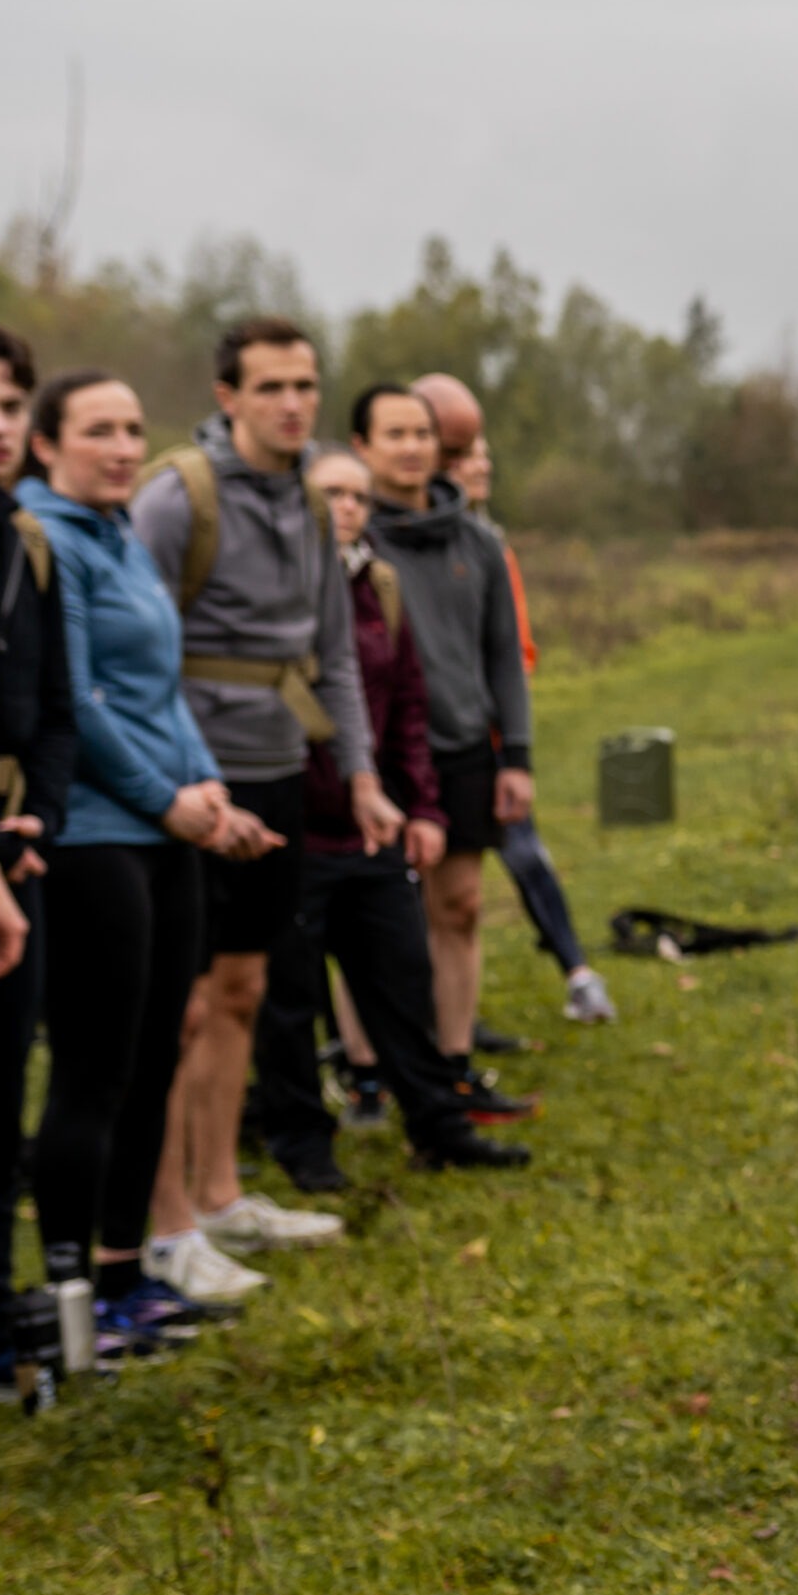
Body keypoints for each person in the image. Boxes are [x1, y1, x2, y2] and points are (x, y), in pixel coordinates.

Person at [130, 317, 394, 1265]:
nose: (292, 404)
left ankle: (222, 1196)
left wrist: (361, 776)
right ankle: (165, 1220)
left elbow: (334, 658)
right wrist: (185, 783)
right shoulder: (177, 498)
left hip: (281, 770)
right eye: (271, 387)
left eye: (305, 385)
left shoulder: (316, 505)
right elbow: (135, 653)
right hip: (193, 784)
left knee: (245, 988)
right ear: (228, 396)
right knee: (186, 1005)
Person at [21, 370, 281, 1328]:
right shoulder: (46, 539)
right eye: (98, 431)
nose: (123, 448)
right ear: (47, 445)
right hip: (96, 838)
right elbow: (76, 699)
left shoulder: (121, 534)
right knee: (96, 1069)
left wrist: (207, 786)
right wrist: (164, 799)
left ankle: (129, 1276)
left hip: (167, 833)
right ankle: (77, 1300)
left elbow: (161, 692)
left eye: (132, 429)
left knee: (156, 1054)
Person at [249, 444, 532, 1182]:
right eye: (331, 494)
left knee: (401, 979)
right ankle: (303, 1145)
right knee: (290, 997)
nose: (347, 508)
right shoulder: (266, 588)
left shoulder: (379, 585)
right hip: (292, 822)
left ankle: (440, 1127)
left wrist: (424, 806)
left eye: (358, 497)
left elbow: (408, 708)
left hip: (371, 823)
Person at [352, 385, 541, 1119]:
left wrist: (515, 755)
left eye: (422, 436)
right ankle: (367, 1075)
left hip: (461, 747)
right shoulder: (349, 537)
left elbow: (504, 656)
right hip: (375, 757)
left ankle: (455, 1065)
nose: (411, 449)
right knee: (371, 920)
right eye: (394, 435)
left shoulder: (478, 542)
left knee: (457, 906)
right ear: (363, 446)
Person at [414, 374, 614, 1026]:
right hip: (431, 739)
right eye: (463, 456)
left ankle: (576, 973)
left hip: (490, 735)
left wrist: (508, 723)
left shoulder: (488, 546)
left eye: (482, 456)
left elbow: (511, 646)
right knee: (424, 889)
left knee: (518, 859)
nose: (480, 467)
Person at [0, 324, 70, 1403]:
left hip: (12, 848)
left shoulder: (28, 544)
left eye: (7, 406)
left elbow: (57, 706)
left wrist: (40, 815)